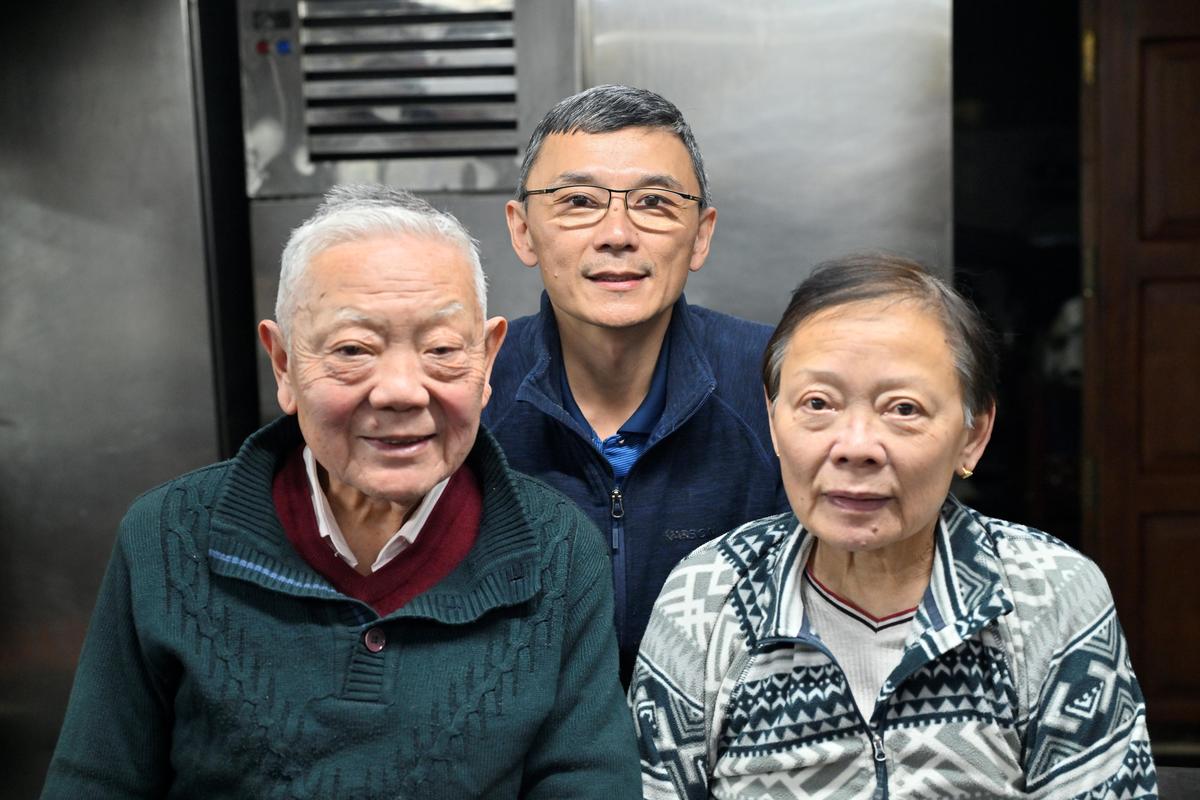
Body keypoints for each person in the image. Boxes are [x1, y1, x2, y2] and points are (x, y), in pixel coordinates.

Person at [41, 185, 640, 799]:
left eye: (440, 350)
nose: (402, 391)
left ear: (486, 361)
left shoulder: (559, 550)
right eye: (354, 350)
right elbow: (95, 781)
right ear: (283, 364)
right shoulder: (167, 536)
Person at [630, 254, 1157, 799]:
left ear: (973, 435)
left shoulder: (1049, 594)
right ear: (774, 419)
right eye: (818, 403)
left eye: (903, 408)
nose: (856, 447)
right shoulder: (708, 595)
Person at [485, 84, 789, 683]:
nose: (617, 234)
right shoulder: (465, 391)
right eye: (577, 201)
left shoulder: (780, 380)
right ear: (523, 231)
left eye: (654, 202)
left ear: (700, 234)